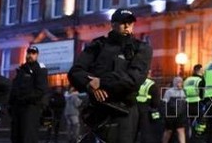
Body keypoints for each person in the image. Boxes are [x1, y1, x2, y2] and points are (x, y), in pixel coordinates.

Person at [68, 8, 153, 143]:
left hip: (124, 111)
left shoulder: (141, 48)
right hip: (97, 110)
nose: (127, 26)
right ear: (113, 24)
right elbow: (76, 71)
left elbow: (133, 79)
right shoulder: (98, 45)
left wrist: (101, 82)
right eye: (123, 23)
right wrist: (90, 85)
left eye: (130, 23)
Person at [9, 45, 49, 143]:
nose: (30, 55)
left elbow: (41, 90)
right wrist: (10, 104)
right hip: (17, 109)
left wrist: (25, 98)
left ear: (37, 55)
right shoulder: (21, 70)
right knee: (16, 137)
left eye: (33, 53)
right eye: (28, 53)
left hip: (30, 108)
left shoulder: (39, 69)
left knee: (28, 137)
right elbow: (14, 88)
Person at [136, 72, 162, 143]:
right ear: (148, 74)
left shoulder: (136, 80)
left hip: (134, 109)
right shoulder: (151, 84)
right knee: (146, 132)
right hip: (147, 111)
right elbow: (156, 102)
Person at [182, 64, 205, 141]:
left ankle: (190, 137)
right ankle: (198, 136)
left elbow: (183, 91)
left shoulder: (187, 80)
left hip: (188, 103)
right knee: (201, 121)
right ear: (200, 70)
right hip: (199, 103)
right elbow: (203, 92)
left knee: (190, 122)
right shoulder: (201, 80)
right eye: (202, 70)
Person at [162, 76, 187, 143]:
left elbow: (185, 103)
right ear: (174, 82)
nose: (179, 83)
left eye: (181, 82)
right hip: (170, 115)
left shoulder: (184, 91)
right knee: (169, 131)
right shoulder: (169, 91)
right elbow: (164, 103)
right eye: (177, 81)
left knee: (181, 130)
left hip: (180, 115)